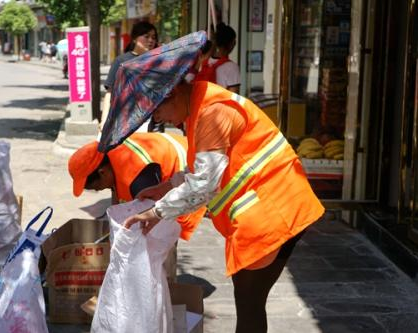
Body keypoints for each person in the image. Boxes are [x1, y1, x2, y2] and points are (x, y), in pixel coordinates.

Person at [123, 80, 325, 331]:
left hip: (273, 208)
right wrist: (165, 187)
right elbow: (204, 168)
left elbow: (204, 185)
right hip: (273, 205)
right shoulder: (203, 105)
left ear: (172, 93)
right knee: (249, 299)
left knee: (249, 300)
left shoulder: (212, 112)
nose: (162, 120)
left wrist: (156, 212)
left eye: (158, 112)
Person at [68, 132, 206, 281]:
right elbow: (117, 198)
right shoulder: (110, 159)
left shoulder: (138, 178)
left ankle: (166, 287)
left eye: (96, 187)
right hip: (171, 161)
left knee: (159, 243)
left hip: (194, 173)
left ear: (102, 172)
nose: (98, 190)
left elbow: (155, 223)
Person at [101, 21, 163, 133]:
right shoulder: (121, 61)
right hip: (123, 122)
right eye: (146, 36)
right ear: (134, 39)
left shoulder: (158, 62)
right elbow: (110, 92)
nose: (151, 40)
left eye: (153, 37)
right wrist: (104, 120)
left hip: (151, 121)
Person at [193, 23, 241, 93]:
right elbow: (234, 96)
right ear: (232, 43)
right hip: (219, 103)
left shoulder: (203, 61)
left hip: (201, 102)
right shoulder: (232, 67)